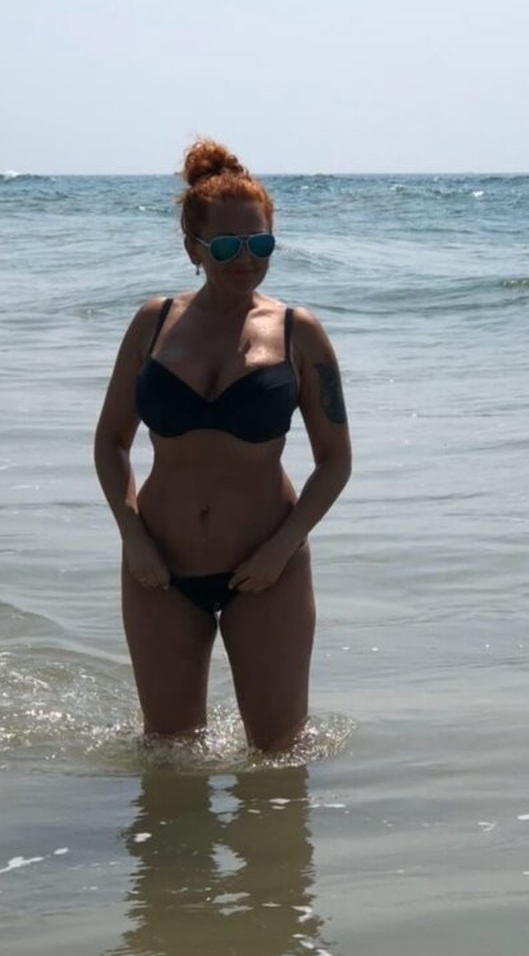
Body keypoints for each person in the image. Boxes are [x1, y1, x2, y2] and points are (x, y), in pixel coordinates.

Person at [94, 140, 351, 752]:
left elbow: (335, 460)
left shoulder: (297, 331)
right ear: (194, 249)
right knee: (169, 757)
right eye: (228, 247)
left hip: (268, 568)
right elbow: (110, 442)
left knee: (279, 757)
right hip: (160, 570)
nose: (246, 260)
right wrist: (133, 537)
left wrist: (281, 548)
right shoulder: (153, 323)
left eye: (260, 244)